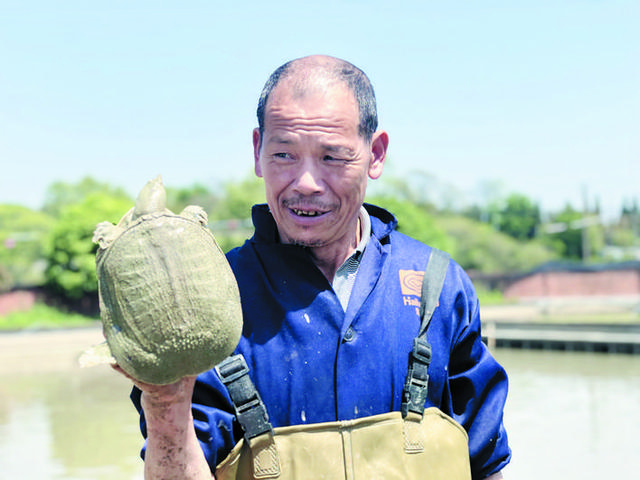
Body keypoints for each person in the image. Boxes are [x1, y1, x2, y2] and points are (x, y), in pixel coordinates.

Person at [123, 55, 511, 479]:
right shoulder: (207, 301)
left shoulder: (438, 285)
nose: (306, 183)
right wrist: (165, 405)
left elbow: (486, 463)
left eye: (332, 157)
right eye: (284, 154)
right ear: (257, 151)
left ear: (375, 154)